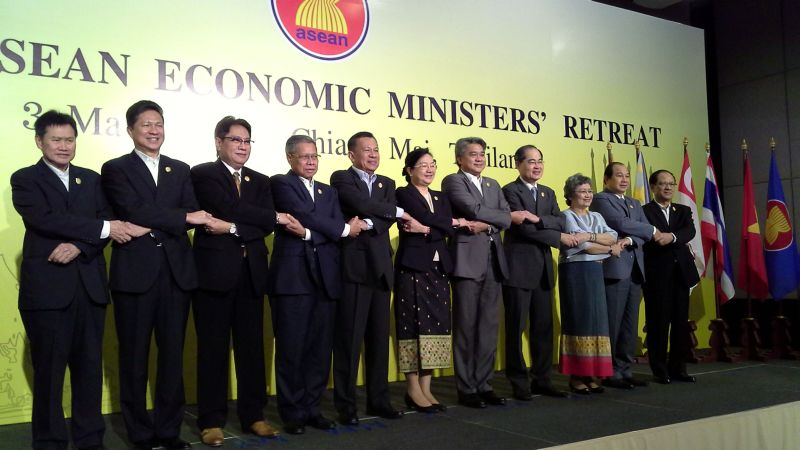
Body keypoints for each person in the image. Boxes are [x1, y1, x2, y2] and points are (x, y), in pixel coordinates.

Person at [11, 110, 138, 450]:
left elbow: (105, 221)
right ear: (40, 141)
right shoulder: (24, 179)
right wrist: (100, 230)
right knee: (49, 374)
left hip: (90, 288)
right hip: (49, 292)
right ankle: (50, 441)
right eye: (56, 139)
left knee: (89, 370)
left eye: (69, 139)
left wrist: (78, 246)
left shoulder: (91, 178)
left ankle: (89, 439)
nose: (64, 146)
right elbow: (44, 219)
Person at [101, 100, 211, 450]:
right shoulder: (115, 168)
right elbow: (132, 209)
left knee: (171, 357)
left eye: (159, 123)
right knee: (133, 356)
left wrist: (158, 221)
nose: (154, 130)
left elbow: (193, 210)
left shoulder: (180, 169)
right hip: (135, 274)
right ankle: (139, 433)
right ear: (131, 129)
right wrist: (178, 219)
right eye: (146, 124)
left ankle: (168, 429)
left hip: (176, 274)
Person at [190, 116, 286, 446]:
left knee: (251, 350)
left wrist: (231, 227)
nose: (243, 146)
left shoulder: (261, 180)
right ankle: (211, 420)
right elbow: (224, 205)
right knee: (212, 350)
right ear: (219, 142)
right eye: (236, 140)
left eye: (247, 141)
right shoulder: (202, 173)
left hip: (252, 275)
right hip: (213, 276)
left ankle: (254, 416)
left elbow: (266, 225)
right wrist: (261, 217)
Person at [267, 135, 366, 435]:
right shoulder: (280, 184)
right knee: (292, 348)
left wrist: (310, 234)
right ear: (290, 158)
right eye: (304, 156)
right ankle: (292, 412)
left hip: (326, 277)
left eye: (314, 156)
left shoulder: (327, 190)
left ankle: (312, 408)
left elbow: (321, 226)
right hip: (292, 279)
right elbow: (306, 216)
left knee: (320, 350)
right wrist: (344, 229)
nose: (311, 162)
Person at [442, 137, 528, 408]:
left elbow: (505, 215)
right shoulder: (453, 181)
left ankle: (484, 384)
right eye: (473, 154)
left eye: (482, 154)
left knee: (489, 328)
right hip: (467, 261)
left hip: (494, 262)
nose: (479, 159)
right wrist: (499, 220)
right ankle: (467, 388)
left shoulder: (492, 184)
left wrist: (488, 225)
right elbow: (473, 209)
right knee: (466, 327)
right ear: (459, 159)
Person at [330, 132, 404, 425]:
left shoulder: (388, 183)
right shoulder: (341, 178)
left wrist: (374, 220)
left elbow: (383, 218)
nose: (373, 154)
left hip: (382, 269)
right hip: (355, 270)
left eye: (376, 149)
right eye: (367, 150)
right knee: (349, 342)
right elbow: (357, 202)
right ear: (351, 154)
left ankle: (379, 400)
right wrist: (393, 211)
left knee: (378, 342)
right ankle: (346, 406)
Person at [501, 145, 574, 400]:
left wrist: (538, 219)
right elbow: (523, 230)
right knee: (515, 329)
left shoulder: (548, 192)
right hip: (518, 270)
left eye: (540, 161)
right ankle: (519, 383)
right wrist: (550, 229)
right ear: (518, 164)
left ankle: (542, 379)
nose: (537, 166)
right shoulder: (510, 191)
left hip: (543, 270)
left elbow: (561, 220)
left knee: (543, 329)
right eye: (531, 161)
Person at [591, 162, 667, 390]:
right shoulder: (601, 199)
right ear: (606, 180)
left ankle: (625, 370)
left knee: (629, 325)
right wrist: (652, 231)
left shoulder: (634, 202)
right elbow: (620, 223)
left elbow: (639, 230)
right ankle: (608, 372)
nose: (624, 180)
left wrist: (632, 239)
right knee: (612, 324)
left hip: (635, 271)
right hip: (615, 269)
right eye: (619, 176)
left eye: (626, 176)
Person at [394, 148, 459, 413]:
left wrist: (428, 228)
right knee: (411, 325)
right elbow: (439, 222)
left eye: (433, 164)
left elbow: (445, 226)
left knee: (436, 325)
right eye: (423, 165)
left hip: (439, 268)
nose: (430, 169)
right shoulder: (402, 193)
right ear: (410, 170)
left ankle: (427, 387)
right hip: (412, 268)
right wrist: (439, 225)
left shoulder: (441, 196)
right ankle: (412, 388)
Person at [558, 174, 620, 394]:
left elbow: (612, 236)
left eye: (589, 191)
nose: (587, 195)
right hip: (575, 272)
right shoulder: (565, 216)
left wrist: (591, 236)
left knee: (597, 321)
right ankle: (577, 376)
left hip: (594, 272)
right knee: (579, 319)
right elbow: (582, 246)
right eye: (582, 191)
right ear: (570, 195)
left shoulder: (596, 216)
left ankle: (592, 373)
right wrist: (608, 249)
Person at [642, 170, 700, 384]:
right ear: (653, 187)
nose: (667, 188)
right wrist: (664, 237)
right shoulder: (644, 211)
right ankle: (659, 370)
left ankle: (679, 369)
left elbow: (690, 232)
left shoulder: (683, 210)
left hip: (681, 274)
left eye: (671, 184)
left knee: (680, 323)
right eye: (662, 184)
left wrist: (672, 236)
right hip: (656, 274)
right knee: (658, 323)